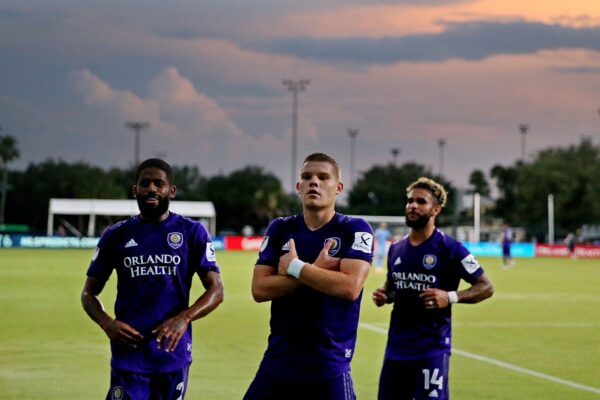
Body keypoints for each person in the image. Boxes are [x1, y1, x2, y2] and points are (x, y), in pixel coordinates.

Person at [81, 158, 224, 400]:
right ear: (135, 190)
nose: (152, 189)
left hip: (172, 354)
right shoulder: (116, 235)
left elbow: (217, 290)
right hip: (129, 357)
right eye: (145, 183)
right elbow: (88, 294)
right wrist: (107, 323)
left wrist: (184, 318)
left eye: (159, 183)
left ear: (172, 190)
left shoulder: (192, 233)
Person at [244, 152, 374, 400]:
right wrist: (317, 271)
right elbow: (260, 289)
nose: (314, 182)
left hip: (328, 366)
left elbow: (349, 287)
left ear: (338, 188)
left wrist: (295, 268)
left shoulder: (353, 229)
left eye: (323, 177)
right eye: (307, 176)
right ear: (298, 187)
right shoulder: (280, 228)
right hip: (279, 361)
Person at [372, 177, 493, 400]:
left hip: (431, 349)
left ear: (436, 209)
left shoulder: (451, 249)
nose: (413, 206)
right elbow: (394, 287)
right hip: (396, 348)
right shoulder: (396, 249)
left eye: (421, 201)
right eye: (409, 201)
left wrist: (450, 296)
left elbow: (486, 286)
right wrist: (385, 295)